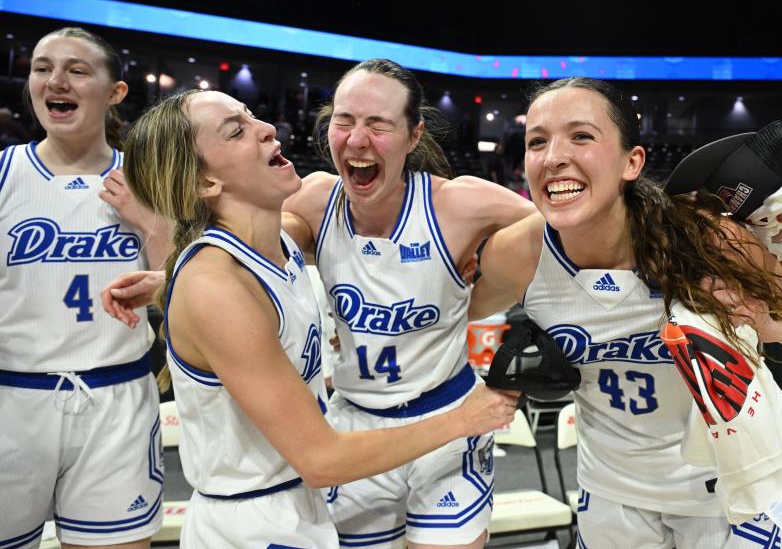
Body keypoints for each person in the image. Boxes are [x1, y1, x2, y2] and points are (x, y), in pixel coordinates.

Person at [469, 78, 782, 549]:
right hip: (611, 495)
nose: (553, 156)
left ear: (632, 161)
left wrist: (769, 322)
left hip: (724, 495)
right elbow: (446, 318)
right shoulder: (519, 253)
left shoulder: (706, 238)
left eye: (581, 136)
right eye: (537, 141)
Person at [118, 88, 518, 547]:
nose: (267, 127)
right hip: (254, 520)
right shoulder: (216, 286)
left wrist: (476, 252)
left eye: (252, 115)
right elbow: (322, 458)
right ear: (207, 183)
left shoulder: (280, 247)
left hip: (302, 503)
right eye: (238, 131)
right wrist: (465, 420)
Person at [278, 59, 536, 549]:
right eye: (344, 121)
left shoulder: (459, 204)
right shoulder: (313, 200)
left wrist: (487, 272)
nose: (357, 140)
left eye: (378, 124)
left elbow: (571, 235)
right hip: (355, 428)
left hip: (447, 421)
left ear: (414, 136)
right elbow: (248, 253)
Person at [0, 27, 171, 548]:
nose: (56, 81)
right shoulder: (4, 175)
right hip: (11, 400)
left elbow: (184, 291)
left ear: (115, 92)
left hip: (115, 400)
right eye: (42, 68)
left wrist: (152, 226)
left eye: (77, 70)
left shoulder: (150, 181)